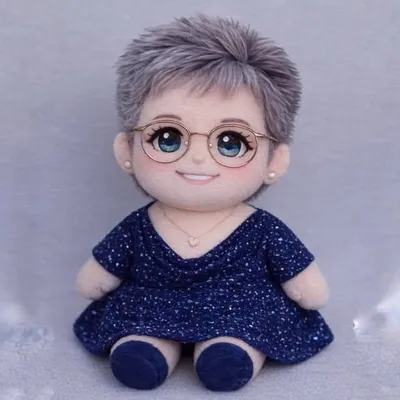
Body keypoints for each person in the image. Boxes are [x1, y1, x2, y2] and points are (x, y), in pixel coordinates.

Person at [73, 14, 334, 392]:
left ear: (274, 161)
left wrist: (308, 292)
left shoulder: (262, 229)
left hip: (240, 309)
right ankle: (146, 349)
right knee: (138, 328)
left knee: (244, 331)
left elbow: (307, 286)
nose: (197, 157)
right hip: (153, 304)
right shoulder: (139, 226)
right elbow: (96, 279)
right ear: (127, 150)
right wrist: (95, 280)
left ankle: (231, 352)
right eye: (167, 137)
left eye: (231, 142)